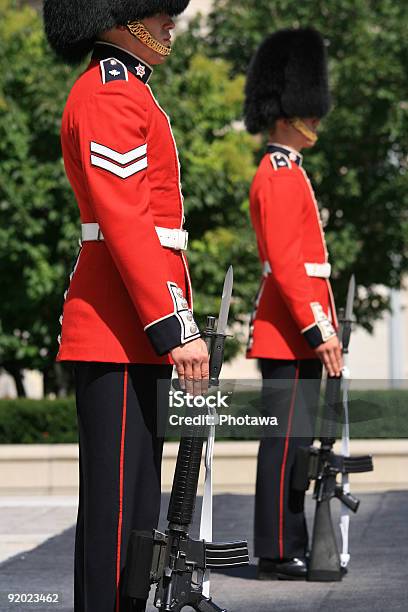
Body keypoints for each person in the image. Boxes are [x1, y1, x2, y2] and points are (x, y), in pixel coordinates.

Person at [43, 2, 209, 610]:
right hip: (118, 328)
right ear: (120, 17)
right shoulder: (109, 93)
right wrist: (172, 325)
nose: (170, 24)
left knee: (138, 517)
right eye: (159, 12)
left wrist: (172, 322)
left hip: (135, 327)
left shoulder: (131, 91)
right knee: (118, 525)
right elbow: (127, 222)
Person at [244, 28, 343, 580]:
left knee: (295, 445)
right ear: (289, 113)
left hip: (294, 330)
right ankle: (278, 548)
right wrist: (318, 330)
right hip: (288, 332)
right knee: (284, 447)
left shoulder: (290, 173)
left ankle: (286, 542)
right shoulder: (279, 176)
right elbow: (287, 268)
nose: (316, 119)